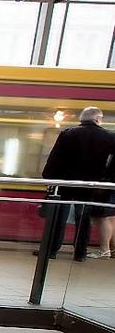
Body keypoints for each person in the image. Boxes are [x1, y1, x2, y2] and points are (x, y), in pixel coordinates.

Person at [41, 107, 115, 262]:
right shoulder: (110, 136)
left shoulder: (68, 133)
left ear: (82, 119)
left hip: (66, 183)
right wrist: (106, 181)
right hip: (92, 185)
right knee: (84, 218)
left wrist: (48, 178)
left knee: (59, 217)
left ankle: (52, 250)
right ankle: (80, 253)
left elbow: (55, 158)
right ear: (98, 119)